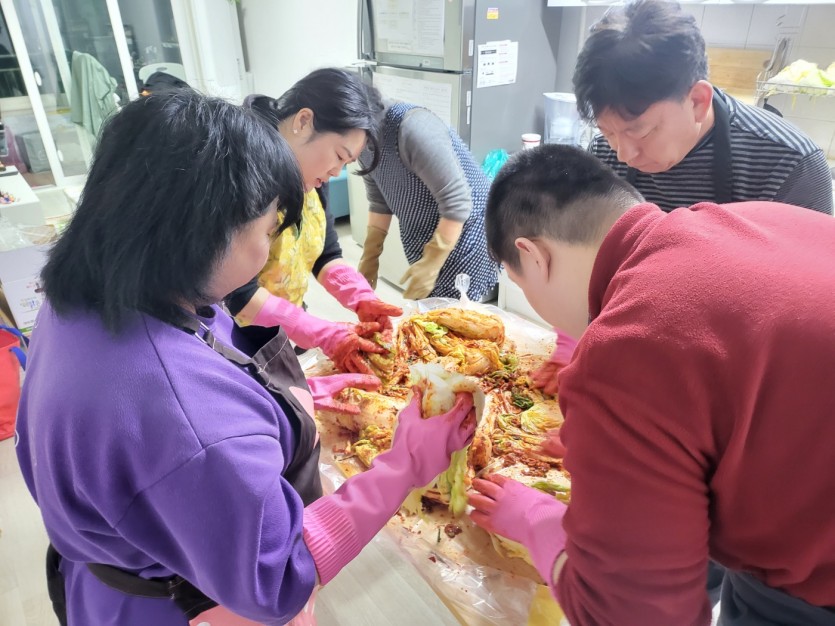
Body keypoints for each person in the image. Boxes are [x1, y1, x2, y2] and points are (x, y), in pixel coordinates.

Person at [15, 90, 476, 626]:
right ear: (203, 233)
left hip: (108, 574)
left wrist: (282, 399)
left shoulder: (91, 296)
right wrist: (407, 462)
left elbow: (203, 368)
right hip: (178, 603)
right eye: (266, 231)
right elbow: (279, 571)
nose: (266, 251)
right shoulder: (189, 420)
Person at [469, 143, 835, 625]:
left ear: (533, 257)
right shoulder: (751, 217)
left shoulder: (628, 344)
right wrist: (634, 451)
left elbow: (637, 616)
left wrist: (538, 524)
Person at [531, 0, 835, 397]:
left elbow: (807, 316)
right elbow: (590, 261)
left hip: (736, 380)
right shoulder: (609, 153)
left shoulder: (790, 165)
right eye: (608, 132)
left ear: (697, 101)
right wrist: (573, 342)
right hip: (639, 358)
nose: (623, 153)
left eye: (640, 132)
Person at [227, 68, 402, 374]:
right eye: (339, 155)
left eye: (346, 163)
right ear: (303, 121)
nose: (336, 172)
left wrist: (359, 296)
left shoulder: (310, 175)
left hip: (284, 332)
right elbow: (236, 290)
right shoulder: (242, 174)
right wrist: (316, 331)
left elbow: (326, 253)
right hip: (237, 343)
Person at [357, 99, 500, 302]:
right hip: (421, 232)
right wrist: (370, 255)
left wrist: (433, 260)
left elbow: (457, 202)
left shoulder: (413, 128)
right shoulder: (360, 141)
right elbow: (379, 200)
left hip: (465, 229)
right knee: (430, 309)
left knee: (455, 311)